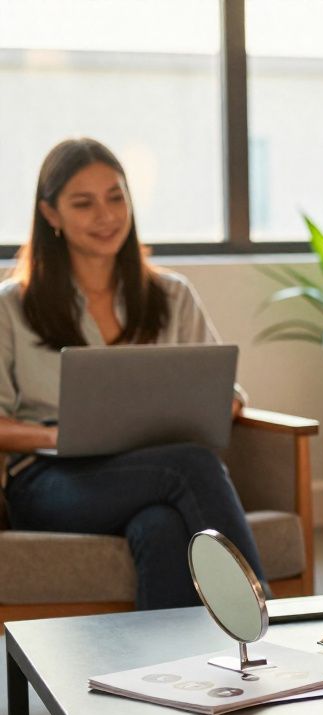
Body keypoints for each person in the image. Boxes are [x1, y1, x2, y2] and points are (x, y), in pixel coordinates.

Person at [0, 138, 266, 610]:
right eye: (84, 203)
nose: (106, 216)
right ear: (51, 215)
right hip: (49, 478)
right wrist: (66, 435)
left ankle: (163, 676)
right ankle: (264, 615)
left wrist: (204, 411)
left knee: (159, 525)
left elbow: (227, 396)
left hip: (148, 469)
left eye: (116, 197)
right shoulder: (11, 306)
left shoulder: (172, 295)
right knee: (190, 463)